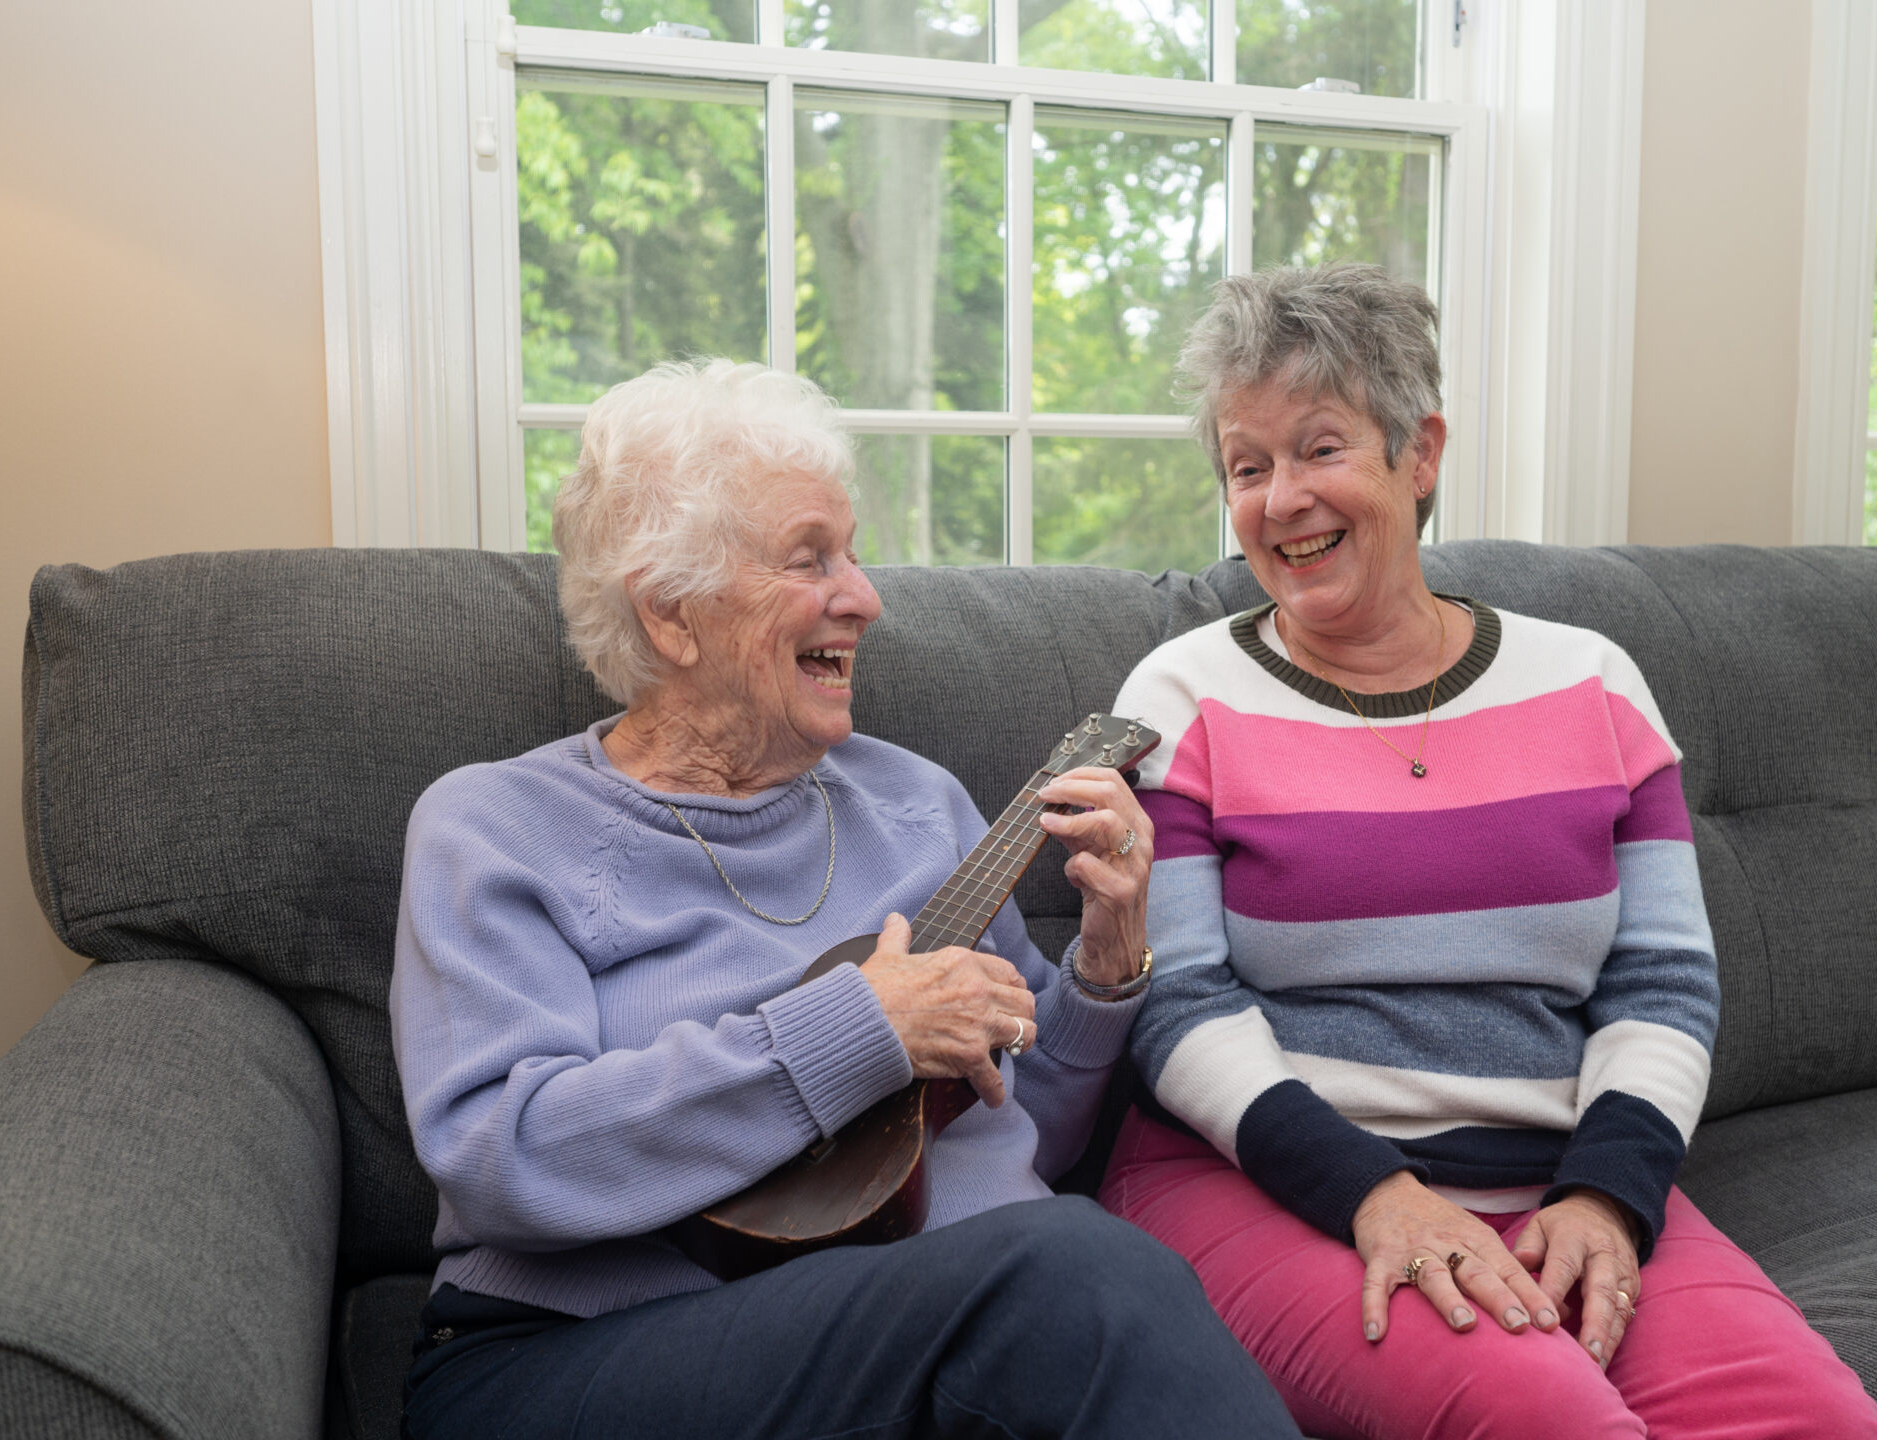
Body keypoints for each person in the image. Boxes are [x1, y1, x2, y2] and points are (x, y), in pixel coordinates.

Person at [389, 358, 1300, 1440]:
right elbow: (506, 1155)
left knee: (1067, 1273)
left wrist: (1106, 963)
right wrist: (860, 1026)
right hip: (579, 1356)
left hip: (915, 1327)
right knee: (1075, 1271)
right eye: (808, 559)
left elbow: (1018, 1131)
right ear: (673, 615)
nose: (863, 598)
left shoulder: (915, 802)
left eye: (854, 555)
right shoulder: (496, 826)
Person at [1098, 265, 1877, 1440]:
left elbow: (1661, 983)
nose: (1278, 502)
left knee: (1817, 1425)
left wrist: (1609, 1197)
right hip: (1267, 1181)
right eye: (1246, 468)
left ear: (1417, 455)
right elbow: (1175, 1006)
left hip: (1562, 1171)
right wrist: (1375, 1194)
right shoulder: (1183, 698)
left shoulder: (1591, 682)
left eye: (1318, 449)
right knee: (1548, 1420)